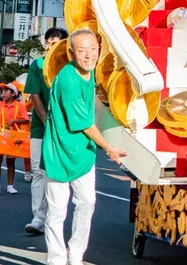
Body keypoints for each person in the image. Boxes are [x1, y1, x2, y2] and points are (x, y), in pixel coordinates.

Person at [43, 29, 127, 265]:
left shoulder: (89, 74)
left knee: (87, 203)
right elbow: (84, 124)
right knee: (57, 211)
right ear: (71, 53)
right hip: (59, 153)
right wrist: (109, 147)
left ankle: (76, 254)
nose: (88, 55)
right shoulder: (68, 80)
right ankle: (57, 259)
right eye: (81, 51)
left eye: (93, 49)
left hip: (84, 154)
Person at [24, 27, 68, 234]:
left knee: (57, 173)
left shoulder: (70, 66)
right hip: (40, 129)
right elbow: (34, 94)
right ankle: (38, 218)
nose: (50, 46)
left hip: (65, 129)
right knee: (38, 171)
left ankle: (54, 218)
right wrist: (45, 120)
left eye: (55, 43)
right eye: (48, 42)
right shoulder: (38, 64)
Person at [1, 82, 30, 194]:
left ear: (13, 94)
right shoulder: (0, 105)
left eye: (6, 91)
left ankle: (10, 186)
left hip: (12, 138)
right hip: (1, 136)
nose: (3, 93)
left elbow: (26, 120)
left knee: (10, 162)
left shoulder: (20, 106)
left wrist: (14, 121)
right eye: (3, 91)